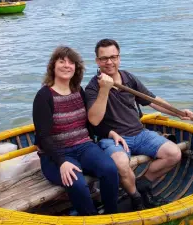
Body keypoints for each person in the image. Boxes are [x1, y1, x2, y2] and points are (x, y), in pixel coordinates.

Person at [85, 39, 193, 210]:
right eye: (104, 58)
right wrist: (105, 89)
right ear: (97, 61)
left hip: (140, 133)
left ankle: (143, 183)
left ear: (119, 58)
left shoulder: (128, 78)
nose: (109, 62)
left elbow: (152, 101)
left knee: (174, 153)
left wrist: (178, 112)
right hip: (114, 139)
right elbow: (94, 120)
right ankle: (136, 198)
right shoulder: (93, 87)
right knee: (121, 163)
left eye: (113, 57)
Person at [33, 46, 119, 215]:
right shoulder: (44, 96)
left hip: (84, 147)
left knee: (110, 169)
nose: (67, 65)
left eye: (71, 63)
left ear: (76, 68)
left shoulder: (78, 91)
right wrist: (62, 162)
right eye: (62, 61)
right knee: (77, 183)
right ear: (53, 66)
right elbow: (43, 137)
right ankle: (91, 219)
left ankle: (111, 216)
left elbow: (90, 121)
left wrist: (110, 132)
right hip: (56, 155)